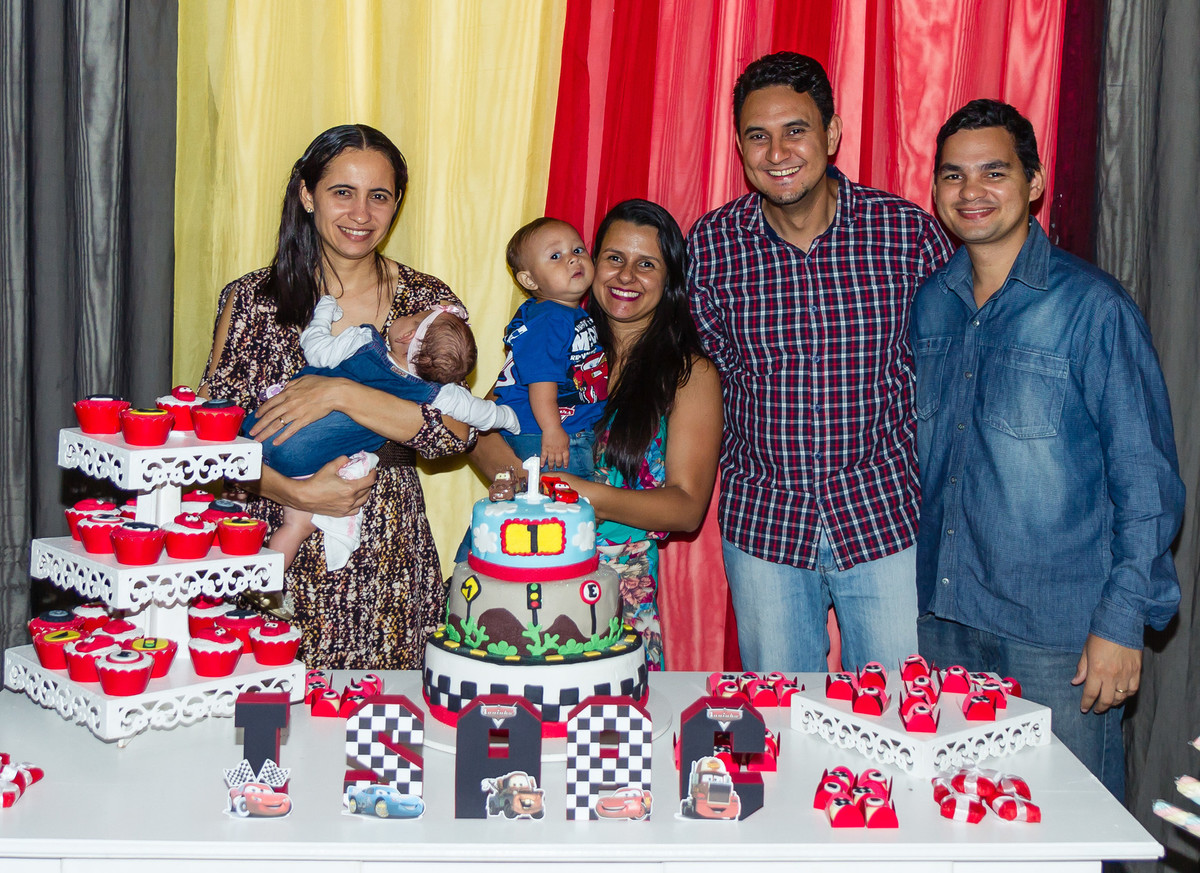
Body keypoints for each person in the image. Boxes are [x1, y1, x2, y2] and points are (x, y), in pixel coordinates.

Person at [913, 99, 1183, 799]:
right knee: (962, 829)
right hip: (945, 626)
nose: (971, 192)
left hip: (1057, 640)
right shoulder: (930, 306)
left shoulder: (1094, 309)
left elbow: (1146, 482)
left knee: (1067, 831)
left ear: (1033, 183)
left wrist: (1123, 622)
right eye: (953, 175)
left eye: (994, 172)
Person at [688, 51, 953, 673]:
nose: (777, 151)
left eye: (795, 130)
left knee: (897, 717)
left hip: (885, 519)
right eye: (758, 135)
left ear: (831, 135)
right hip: (765, 524)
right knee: (777, 723)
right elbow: (706, 375)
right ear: (739, 146)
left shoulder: (905, 233)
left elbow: (946, 369)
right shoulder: (711, 246)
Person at [200, 123, 474, 670]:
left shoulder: (427, 301)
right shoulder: (252, 300)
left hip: (390, 550)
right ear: (307, 194)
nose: (362, 214)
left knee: (382, 728)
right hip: (273, 536)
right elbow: (209, 438)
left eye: (379, 196)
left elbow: (455, 434)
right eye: (342, 192)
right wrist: (296, 493)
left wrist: (341, 392)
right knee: (270, 717)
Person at [469, 199, 723, 670]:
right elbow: (480, 426)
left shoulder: (688, 373)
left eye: (647, 264)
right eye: (614, 258)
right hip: (526, 568)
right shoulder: (558, 337)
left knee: (606, 734)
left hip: (617, 595)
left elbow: (686, 508)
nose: (626, 276)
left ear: (670, 280)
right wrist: (526, 486)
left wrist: (579, 494)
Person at [244, 296, 517, 570]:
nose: (408, 314)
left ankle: (258, 575)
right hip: (306, 465)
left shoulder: (362, 342)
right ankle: (266, 579)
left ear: (407, 335)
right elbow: (481, 414)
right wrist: (509, 418)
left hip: (260, 430)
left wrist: (324, 312)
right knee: (296, 525)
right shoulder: (437, 393)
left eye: (413, 315)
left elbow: (315, 348)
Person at [493, 217, 607, 477]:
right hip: (547, 434)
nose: (573, 259)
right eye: (555, 256)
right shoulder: (550, 319)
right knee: (572, 505)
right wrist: (552, 429)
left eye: (577, 250)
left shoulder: (560, 313)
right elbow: (541, 380)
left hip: (558, 429)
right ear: (530, 280)